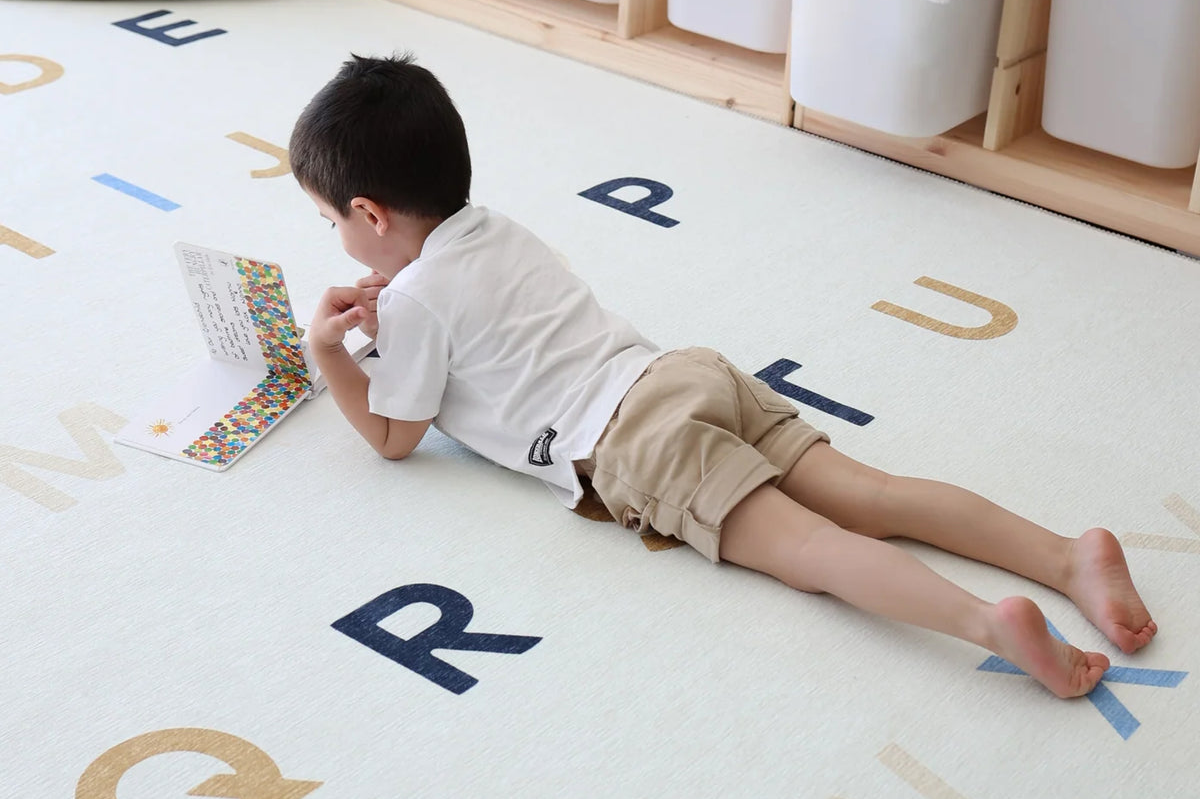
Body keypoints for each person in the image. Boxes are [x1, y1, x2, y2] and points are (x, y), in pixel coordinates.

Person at [292, 53, 1157, 701]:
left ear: (368, 214)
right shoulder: (495, 227)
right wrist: (392, 317)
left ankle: (986, 622)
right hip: (685, 372)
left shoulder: (410, 306)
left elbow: (396, 438)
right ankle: (1065, 555)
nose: (334, 232)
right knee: (877, 495)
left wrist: (331, 349)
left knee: (812, 551)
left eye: (331, 218)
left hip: (635, 443)